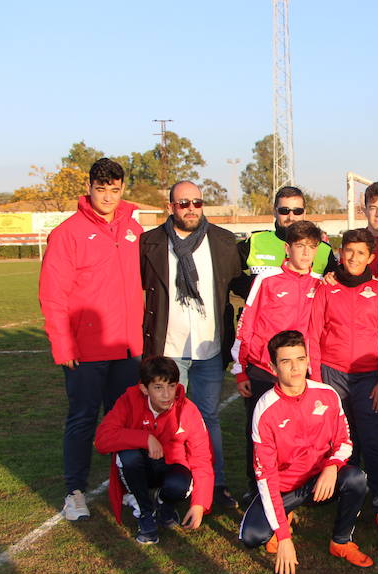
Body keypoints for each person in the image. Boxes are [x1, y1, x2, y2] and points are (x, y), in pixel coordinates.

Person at [39, 158, 143, 521]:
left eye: (115, 190)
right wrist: (62, 344)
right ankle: (75, 491)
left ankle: (131, 489)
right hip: (85, 351)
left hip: (127, 349)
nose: (109, 197)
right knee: (83, 420)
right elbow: (53, 295)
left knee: (127, 425)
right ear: (89, 188)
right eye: (102, 189)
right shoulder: (67, 232)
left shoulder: (134, 228)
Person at [140, 180, 242, 509]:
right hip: (168, 350)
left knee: (208, 418)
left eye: (196, 203)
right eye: (183, 203)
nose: (191, 209)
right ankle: (175, 484)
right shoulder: (150, 243)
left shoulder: (224, 242)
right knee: (170, 419)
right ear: (171, 207)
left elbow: (242, 286)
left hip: (209, 348)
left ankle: (216, 484)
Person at [240, 331, 374, 574]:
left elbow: (344, 441)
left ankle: (341, 541)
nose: (295, 368)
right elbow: (265, 476)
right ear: (272, 367)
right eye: (286, 362)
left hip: (318, 482)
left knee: (356, 478)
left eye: (300, 359)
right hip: (284, 489)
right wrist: (283, 537)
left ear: (308, 360)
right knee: (252, 537)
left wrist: (332, 466)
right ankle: (285, 517)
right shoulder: (265, 410)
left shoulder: (327, 394)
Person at [308, 228, 378, 532]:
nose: (354, 258)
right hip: (332, 374)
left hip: (369, 377)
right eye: (349, 251)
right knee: (337, 440)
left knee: (372, 440)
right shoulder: (326, 288)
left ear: (371, 257)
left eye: (361, 253)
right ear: (340, 253)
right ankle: (344, 493)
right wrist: (318, 382)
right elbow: (313, 335)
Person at [231, 220, 324, 502]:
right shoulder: (267, 280)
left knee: (294, 434)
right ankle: (256, 488)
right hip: (263, 371)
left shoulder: (319, 285)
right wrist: (240, 370)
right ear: (287, 248)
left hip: (299, 374)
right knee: (259, 433)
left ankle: (290, 491)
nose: (306, 253)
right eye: (300, 246)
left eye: (311, 247)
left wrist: (315, 375)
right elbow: (246, 323)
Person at [94, 357, 213, 544]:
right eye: (158, 387)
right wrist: (144, 438)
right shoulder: (128, 401)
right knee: (128, 457)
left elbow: (202, 458)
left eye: (171, 386)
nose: (166, 395)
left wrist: (200, 503)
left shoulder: (188, 410)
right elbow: (102, 440)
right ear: (144, 389)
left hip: (170, 466)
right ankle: (145, 511)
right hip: (140, 466)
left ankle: (164, 502)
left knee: (179, 484)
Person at [233, 186, 336, 298]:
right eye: (284, 211)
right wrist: (251, 290)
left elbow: (338, 286)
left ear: (304, 213)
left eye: (297, 211)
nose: (291, 217)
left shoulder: (324, 250)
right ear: (274, 212)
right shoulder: (255, 241)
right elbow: (226, 268)